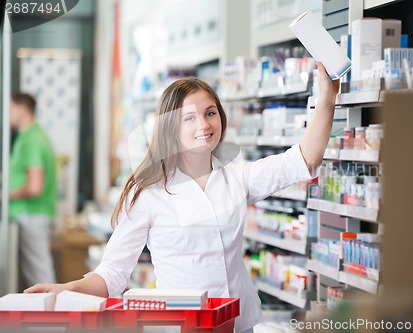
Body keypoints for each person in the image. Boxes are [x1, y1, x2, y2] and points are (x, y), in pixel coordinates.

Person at [26, 62, 339, 333]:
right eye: (189, 118)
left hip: (239, 323)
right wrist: (65, 288)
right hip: (182, 325)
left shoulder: (237, 176)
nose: (203, 125)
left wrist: (328, 95)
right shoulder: (148, 192)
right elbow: (112, 274)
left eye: (210, 113)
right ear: (170, 127)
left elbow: (304, 160)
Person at [9, 93, 58, 289]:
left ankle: (54, 319)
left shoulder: (32, 140)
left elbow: (35, 186)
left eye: (10, 108)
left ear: (23, 109)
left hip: (32, 216)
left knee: (41, 276)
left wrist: (4, 195)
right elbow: (22, 176)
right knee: (37, 275)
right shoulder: (29, 137)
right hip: (30, 216)